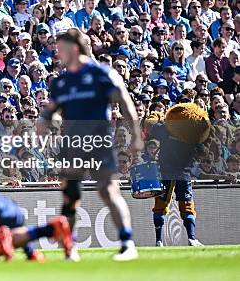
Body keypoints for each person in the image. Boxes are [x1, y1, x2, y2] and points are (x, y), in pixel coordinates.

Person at [39, 28, 142, 261]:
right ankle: (69, 248)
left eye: (61, 50)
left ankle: (127, 243)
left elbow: (124, 101)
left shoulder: (101, 74)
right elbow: (51, 110)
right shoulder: (62, 82)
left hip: (98, 141)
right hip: (72, 143)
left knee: (107, 190)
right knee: (70, 195)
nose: (58, 55)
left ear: (74, 49)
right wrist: (44, 121)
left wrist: (136, 134)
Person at [146, 103, 211, 247]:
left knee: (160, 206)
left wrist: (157, 114)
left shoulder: (165, 131)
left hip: (165, 174)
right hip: (184, 175)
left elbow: (150, 125)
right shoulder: (192, 138)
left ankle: (159, 240)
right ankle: (191, 238)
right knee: (187, 206)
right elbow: (203, 151)